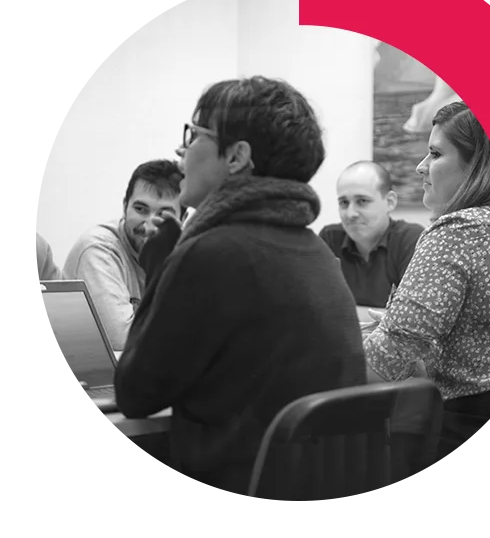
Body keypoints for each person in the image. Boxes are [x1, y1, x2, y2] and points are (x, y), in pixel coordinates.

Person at [114, 76, 367, 497]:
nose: (181, 151)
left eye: (194, 135)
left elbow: (135, 394)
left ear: (236, 156)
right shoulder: (317, 252)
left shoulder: (211, 252)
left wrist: (163, 262)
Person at [362, 101, 490, 458]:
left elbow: (389, 357)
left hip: (475, 437)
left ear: (477, 164)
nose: (421, 166)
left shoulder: (457, 231)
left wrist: (323, 359)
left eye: (436, 154)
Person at [62, 159, 183, 350]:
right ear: (125, 206)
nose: (149, 225)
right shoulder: (98, 249)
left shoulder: (187, 253)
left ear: (182, 219)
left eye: (163, 214)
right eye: (140, 209)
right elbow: (123, 341)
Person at [319, 161, 423, 308]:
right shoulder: (330, 238)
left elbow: (413, 315)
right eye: (344, 203)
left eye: (362, 201)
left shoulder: (410, 239)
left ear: (390, 202)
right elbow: (315, 307)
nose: (351, 214)